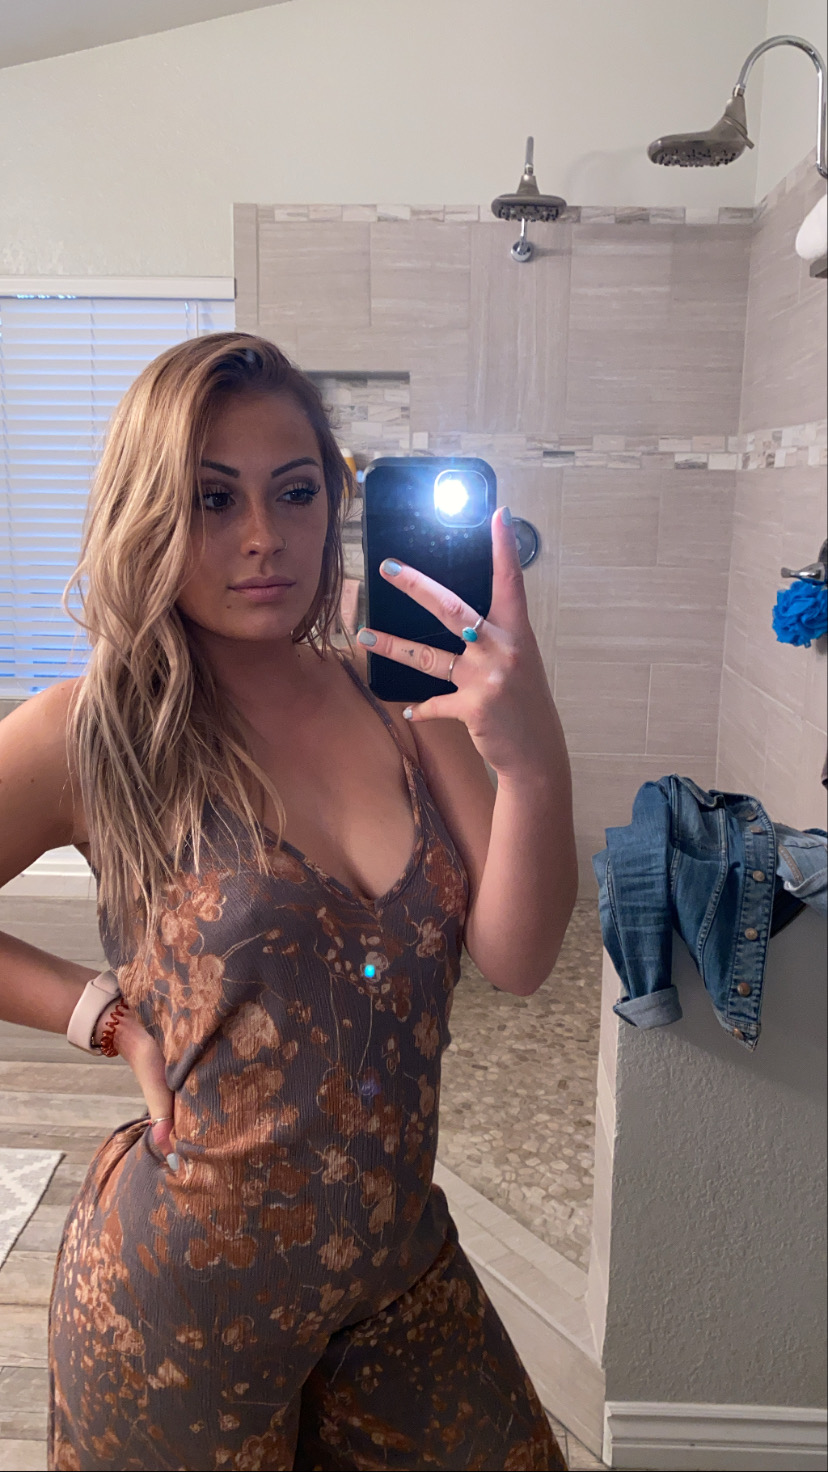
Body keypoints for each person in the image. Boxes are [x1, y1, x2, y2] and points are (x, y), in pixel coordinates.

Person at [0, 333, 577, 1471]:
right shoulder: (95, 731)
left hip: (398, 1269)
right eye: (213, 498)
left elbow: (517, 957)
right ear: (150, 513)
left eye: (296, 491)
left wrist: (531, 757)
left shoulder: (403, 700)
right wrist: (96, 1012)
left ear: (334, 506)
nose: (264, 536)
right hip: (182, 1297)